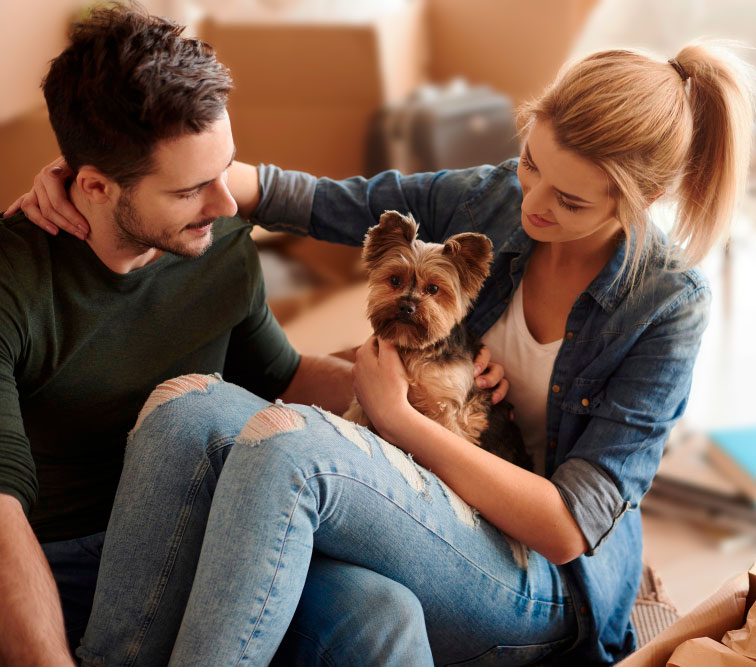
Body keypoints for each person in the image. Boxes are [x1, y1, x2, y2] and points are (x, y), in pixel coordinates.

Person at [15, 42, 756, 664]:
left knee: (289, 449)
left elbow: (568, 525)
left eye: (571, 201)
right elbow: (312, 200)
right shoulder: (496, 197)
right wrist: (97, 181)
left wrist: (401, 419)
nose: (533, 203)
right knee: (187, 404)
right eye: (531, 162)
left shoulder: (666, 306)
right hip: (419, 493)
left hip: (534, 575)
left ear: (638, 199)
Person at [0, 5, 505, 665]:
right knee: (196, 415)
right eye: (191, 189)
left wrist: (430, 383)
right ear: (93, 185)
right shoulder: (16, 279)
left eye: (227, 170)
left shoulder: (221, 240)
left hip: (205, 524)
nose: (229, 203)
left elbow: (283, 375)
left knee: (382, 613)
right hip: (59, 557)